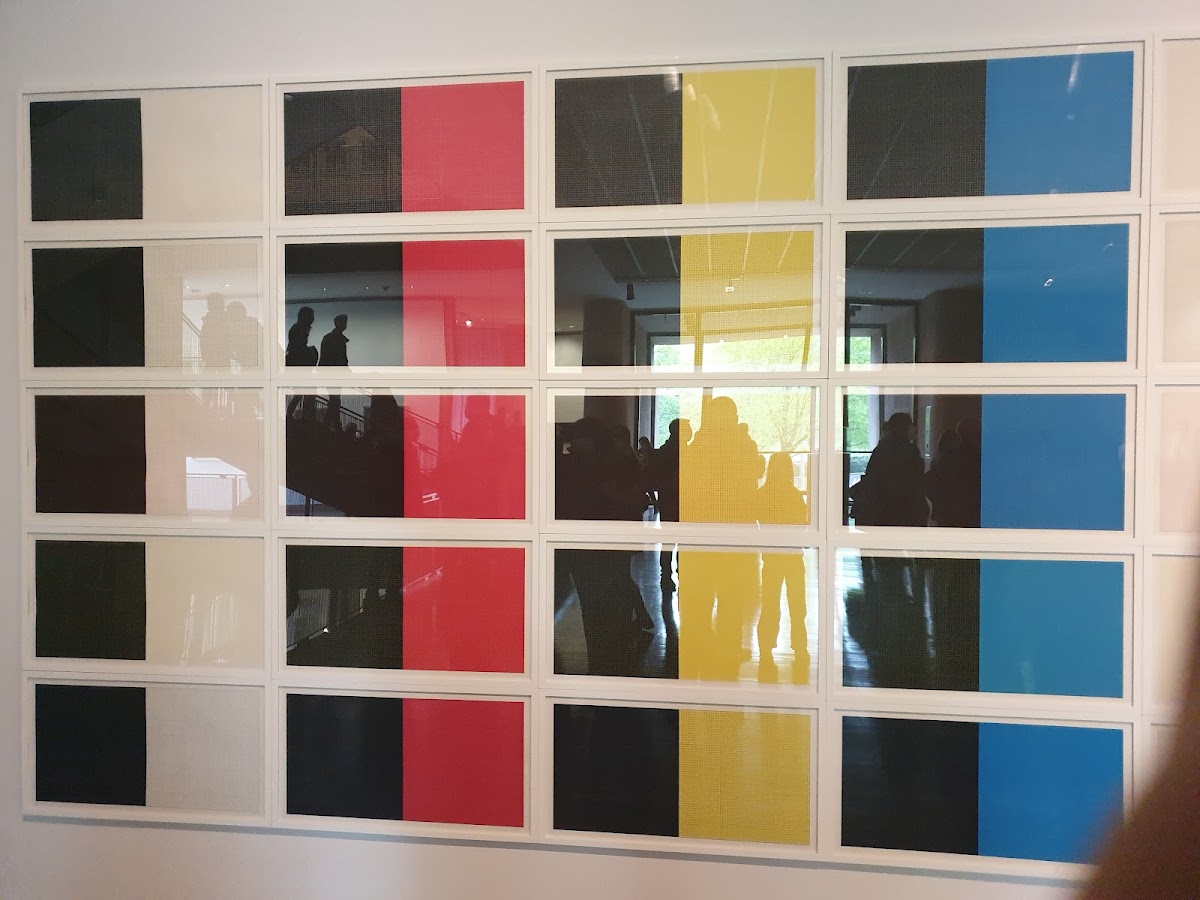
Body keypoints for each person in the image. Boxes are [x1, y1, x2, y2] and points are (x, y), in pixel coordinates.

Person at [318, 314, 349, 429]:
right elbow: (340, 358)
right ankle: (333, 424)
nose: (345, 324)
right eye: (344, 322)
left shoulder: (330, 338)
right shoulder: (335, 339)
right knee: (335, 399)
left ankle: (331, 423)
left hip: (332, 372)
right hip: (333, 373)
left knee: (334, 398)